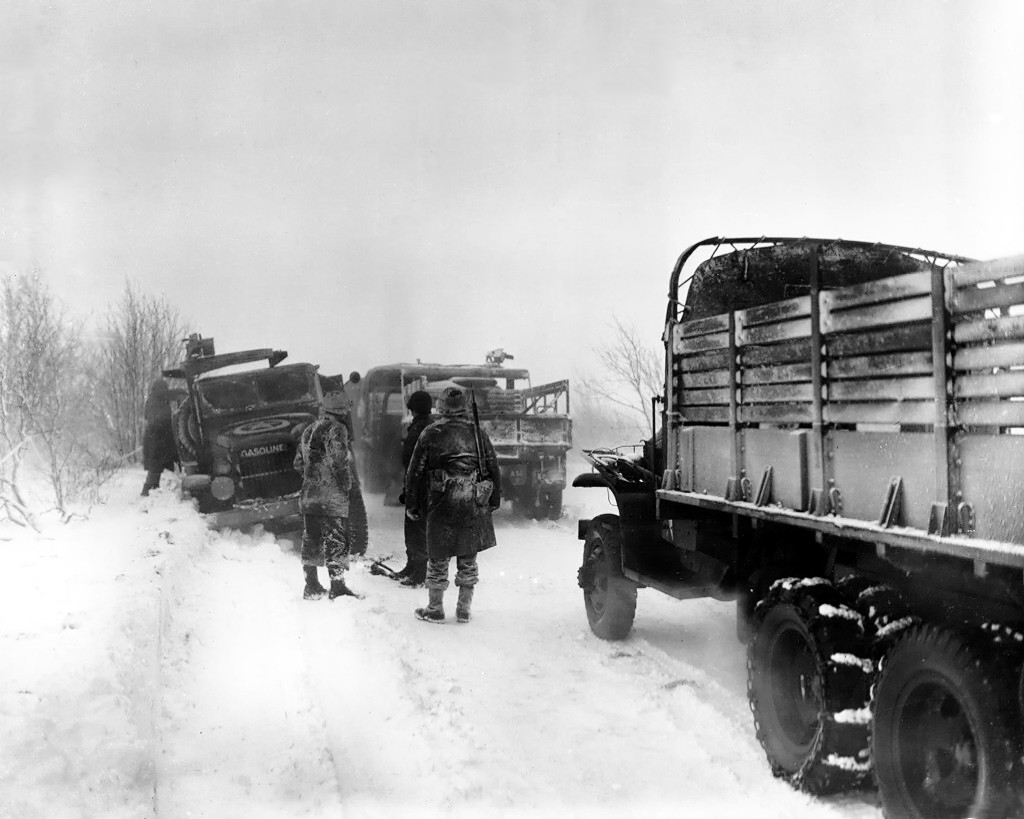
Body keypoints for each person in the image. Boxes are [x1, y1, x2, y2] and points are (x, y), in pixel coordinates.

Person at [404, 386, 501, 623]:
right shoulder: (478, 433)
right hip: (472, 501)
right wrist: (493, 500)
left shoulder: (430, 433)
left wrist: (412, 504)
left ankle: (435, 609)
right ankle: (464, 610)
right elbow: (493, 468)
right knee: (468, 558)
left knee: (437, 556)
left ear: (441, 406)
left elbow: (415, 472)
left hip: (441, 500)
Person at [293, 390, 362, 600]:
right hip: (331, 498)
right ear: (342, 410)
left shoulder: (308, 430)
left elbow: (297, 463)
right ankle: (338, 587)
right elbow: (340, 462)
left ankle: (311, 585)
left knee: (311, 538)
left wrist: (311, 477)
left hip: (309, 496)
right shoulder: (337, 429)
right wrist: (346, 485)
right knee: (336, 539)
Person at [393, 390, 434, 587]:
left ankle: (419, 572)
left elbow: (411, 459)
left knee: (416, 528)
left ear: (415, 409)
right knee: (412, 526)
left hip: (419, 485)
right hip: (419, 484)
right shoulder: (428, 426)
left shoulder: (420, 428)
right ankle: (412, 566)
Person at [141, 378, 179, 496]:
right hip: (156, 440)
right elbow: (155, 420)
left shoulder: (157, 400)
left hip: (160, 439)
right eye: (164, 389)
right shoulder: (155, 402)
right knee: (155, 468)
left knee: (159, 467)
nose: (165, 391)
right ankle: (148, 494)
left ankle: (155, 492)